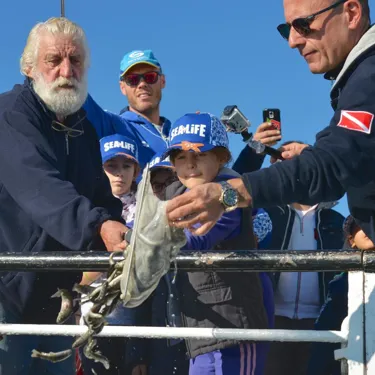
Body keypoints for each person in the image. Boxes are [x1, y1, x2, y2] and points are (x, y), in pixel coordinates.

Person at [165, 0, 375, 249]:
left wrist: (226, 194)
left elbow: (332, 166)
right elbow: (344, 166)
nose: (293, 41)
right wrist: (311, 158)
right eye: (286, 30)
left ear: (351, 13)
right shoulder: (361, 77)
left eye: (303, 25)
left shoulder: (368, 76)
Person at [0, 17, 127, 375]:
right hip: (6, 294)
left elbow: (102, 199)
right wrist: (100, 227)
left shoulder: (82, 129)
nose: (66, 70)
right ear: (29, 67)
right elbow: (40, 186)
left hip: (56, 300)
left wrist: (129, 236)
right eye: (53, 60)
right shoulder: (9, 115)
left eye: (75, 61)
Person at [163, 112, 269, 375]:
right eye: (180, 157)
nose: (190, 165)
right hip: (201, 327)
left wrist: (145, 240)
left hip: (236, 328)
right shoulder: (174, 197)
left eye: (199, 155)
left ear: (222, 158)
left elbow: (196, 238)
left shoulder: (228, 197)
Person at [79, 134, 147, 375]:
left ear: (136, 170)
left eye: (126, 165)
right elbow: (77, 278)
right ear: (100, 169)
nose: (120, 173)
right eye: (111, 166)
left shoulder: (151, 210)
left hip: (137, 326)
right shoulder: (81, 209)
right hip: (91, 323)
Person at [307, 215, 375, 375]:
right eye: (361, 224)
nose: (369, 229)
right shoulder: (340, 283)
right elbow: (326, 334)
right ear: (351, 240)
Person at [83, 50, 170, 168]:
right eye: (133, 79)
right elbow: (80, 98)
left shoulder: (177, 133)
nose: (142, 84)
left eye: (150, 77)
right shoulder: (113, 126)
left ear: (162, 81)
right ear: (122, 87)